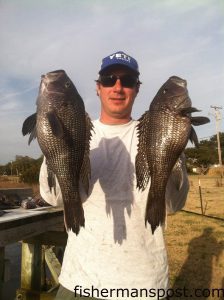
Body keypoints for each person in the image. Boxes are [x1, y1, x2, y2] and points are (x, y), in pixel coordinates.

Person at [39, 51, 189, 300]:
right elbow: (54, 198)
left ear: (137, 89)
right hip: (80, 281)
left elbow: (173, 205)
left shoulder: (155, 130)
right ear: (98, 88)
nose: (118, 87)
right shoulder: (78, 128)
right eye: (109, 79)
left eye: (127, 80)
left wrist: (175, 151)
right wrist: (54, 141)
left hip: (145, 285)